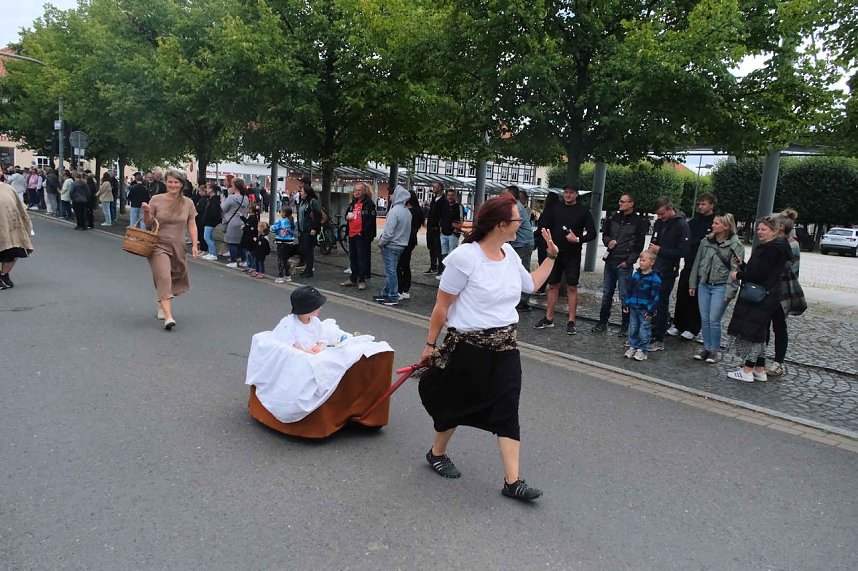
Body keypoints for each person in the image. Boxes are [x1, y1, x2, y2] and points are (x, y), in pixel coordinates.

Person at [416, 194, 559, 502]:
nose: (523, 224)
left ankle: (513, 482)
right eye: (518, 220)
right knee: (456, 403)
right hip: (469, 348)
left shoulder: (509, 254)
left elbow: (531, 285)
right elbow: (442, 306)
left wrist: (551, 257)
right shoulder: (466, 257)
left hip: (506, 347)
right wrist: (430, 344)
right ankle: (437, 452)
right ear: (501, 224)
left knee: (508, 406)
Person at [246, 285, 393, 423]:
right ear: (307, 308)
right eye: (317, 306)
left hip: (316, 352)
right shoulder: (289, 324)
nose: (320, 308)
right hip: (304, 355)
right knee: (324, 364)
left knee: (338, 356)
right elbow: (288, 346)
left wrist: (319, 345)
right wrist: (306, 352)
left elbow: (321, 336)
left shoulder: (315, 322)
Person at [725, 215, 791, 382]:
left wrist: (738, 274)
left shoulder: (771, 249)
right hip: (767, 294)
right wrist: (744, 265)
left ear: (774, 231)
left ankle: (747, 370)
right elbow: (760, 270)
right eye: (758, 229)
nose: (759, 232)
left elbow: (759, 274)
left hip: (762, 295)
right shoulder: (775, 247)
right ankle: (759, 369)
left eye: (763, 229)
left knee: (754, 333)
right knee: (759, 332)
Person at [533, 186, 596, 336]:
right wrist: (548, 242)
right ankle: (549, 318)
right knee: (552, 285)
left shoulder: (583, 211)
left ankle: (571, 321)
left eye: (571, 192)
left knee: (572, 287)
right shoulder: (555, 209)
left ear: (576, 194)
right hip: (555, 254)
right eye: (566, 192)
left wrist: (578, 239)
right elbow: (543, 227)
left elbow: (592, 233)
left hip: (573, 254)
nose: (568, 195)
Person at [140, 169, 199, 330]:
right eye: (170, 181)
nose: (173, 185)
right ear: (165, 182)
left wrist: (194, 244)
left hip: (178, 246)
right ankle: (168, 316)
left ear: (181, 185)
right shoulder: (156, 200)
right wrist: (146, 211)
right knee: (164, 276)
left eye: (176, 182)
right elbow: (148, 223)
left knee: (173, 276)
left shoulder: (188, 203)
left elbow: (192, 224)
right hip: (157, 245)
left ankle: (162, 305)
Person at [688, 213, 744, 363]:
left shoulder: (735, 245)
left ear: (726, 226)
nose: (713, 225)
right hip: (704, 284)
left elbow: (735, 270)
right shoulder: (706, 241)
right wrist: (693, 283)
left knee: (714, 319)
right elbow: (697, 262)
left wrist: (730, 291)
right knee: (705, 318)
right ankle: (706, 347)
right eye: (714, 223)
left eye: (717, 223)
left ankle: (714, 350)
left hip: (721, 285)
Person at [593, 193, 647, 335]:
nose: (620, 204)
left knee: (624, 295)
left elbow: (638, 245)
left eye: (623, 202)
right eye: (620, 201)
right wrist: (608, 241)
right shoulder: (613, 218)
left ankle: (625, 325)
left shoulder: (638, 222)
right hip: (610, 260)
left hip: (624, 262)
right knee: (607, 293)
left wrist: (628, 262)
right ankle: (602, 321)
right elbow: (605, 235)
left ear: (631, 203)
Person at [670, 193, 716, 340]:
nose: (700, 207)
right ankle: (678, 324)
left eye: (704, 204)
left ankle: (693, 327)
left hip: (703, 265)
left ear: (711, 205)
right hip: (690, 262)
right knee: (682, 293)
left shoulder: (714, 223)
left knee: (695, 296)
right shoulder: (693, 222)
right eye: (700, 204)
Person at [648, 196, 690, 351]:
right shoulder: (660, 223)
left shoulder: (681, 225)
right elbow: (655, 242)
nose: (660, 218)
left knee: (661, 303)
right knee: (652, 302)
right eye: (658, 215)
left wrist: (661, 251)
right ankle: (651, 333)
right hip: (655, 267)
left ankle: (658, 338)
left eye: (662, 214)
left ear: (670, 209)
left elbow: (683, 251)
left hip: (668, 271)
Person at [766, 209, 801, 378]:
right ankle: (757, 359)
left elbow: (787, 269)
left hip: (781, 293)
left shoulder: (791, 245)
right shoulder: (772, 242)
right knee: (763, 325)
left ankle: (778, 362)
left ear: (780, 227)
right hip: (768, 290)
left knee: (779, 327)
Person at [374, 185, 411, 306]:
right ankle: (385, 293)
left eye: (392, 194)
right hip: (401, 245)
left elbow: (389, 232)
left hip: (391, 245)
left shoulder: (394, 212)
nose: (390, 196)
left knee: (390, 272)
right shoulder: (407, 212)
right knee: (393, 270)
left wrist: (381, 242)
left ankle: (393, 296)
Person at [622, 250, 661, 361]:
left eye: (644, 260)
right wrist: (627, 302)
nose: (641, 262)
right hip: (634, 306)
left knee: (644, 330)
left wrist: (651, 310)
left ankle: (643, 350)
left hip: (645, 309)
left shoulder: (655, 279)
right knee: (633, 328)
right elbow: (629, 290)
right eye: (641, 260)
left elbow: (655, 297)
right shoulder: (636, 275)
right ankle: (633, 346)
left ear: (652, 262)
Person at [341, 181, 376, 290]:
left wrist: (362, 232)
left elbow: (370, 220)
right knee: (353, 256)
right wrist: (347, 216)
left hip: (362, 234)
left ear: (364, 191)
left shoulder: (369, 204)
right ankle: (353, 277)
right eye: (355, 190)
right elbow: (347, 213)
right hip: (352, 232)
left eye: (359, 190)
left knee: (362, 257)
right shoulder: (353, 203)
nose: (356, 192)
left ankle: (361, 279)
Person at [0, 179, 34, 290]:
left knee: (13, 253)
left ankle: (4, 275)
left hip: (11, 229)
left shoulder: (8, 188)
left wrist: (27, 225)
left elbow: (20, 208)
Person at [505, 186, 535, 312]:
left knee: (522, 270)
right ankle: (518, 298)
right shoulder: (513, 206)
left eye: (504, 194)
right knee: (514, 270)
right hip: (518, 243)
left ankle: (524, 301)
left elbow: (513, 225)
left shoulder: (516, 207)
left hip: (523, 243)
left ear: (511, 195)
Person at [396, 190, 425, 300]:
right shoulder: (417, 210)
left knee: (401, 264)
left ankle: (401, 288)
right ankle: (405, 288)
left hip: (406, 239)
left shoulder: (411, 211)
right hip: (411, 240)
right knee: (405, 264)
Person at [532, 192, 560, 295]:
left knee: (543, 263)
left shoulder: (546, 213)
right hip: (553, 241)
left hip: (544, 241)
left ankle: (541, 287)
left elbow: (541, 229)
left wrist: (533, 235)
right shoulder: (557, 213)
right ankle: (548, 285)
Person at [296, 178, 322, 278]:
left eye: (302, 191)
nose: (300, 193)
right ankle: (306, 268)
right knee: (303, 250)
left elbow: (318, 215)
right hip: (302, 230)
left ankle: (309, 270)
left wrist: (314, 228)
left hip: (309, 230)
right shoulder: (302, 202)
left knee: (309, 250)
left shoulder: (313, 202)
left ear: (306, 193)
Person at [221, 178, 248, 268]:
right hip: (242, 221)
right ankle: (244, 261)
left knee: (232, 243)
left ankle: (233, 261)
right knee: (242, 242)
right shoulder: (245, 198)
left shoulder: (231, 198)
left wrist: (223, 200)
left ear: (235, 187)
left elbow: (224, 208)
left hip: (232, 222)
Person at [437, 189, 465, 277]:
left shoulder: (459, 206)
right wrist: (441, 229)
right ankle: (445, 273)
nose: (450, 197)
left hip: (453, 234)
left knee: (452, 254)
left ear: (455, 196)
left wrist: (455, 231)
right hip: (444, 233)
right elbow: (442, 218)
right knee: (444, 254)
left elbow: (460, 219)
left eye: (452, 195)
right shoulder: (445, 206)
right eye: (448, 195)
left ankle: (452, 274)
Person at [271, 206, 298, 283]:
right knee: (285, 259)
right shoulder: (291, 222)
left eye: (281, 211)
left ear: (284, 213)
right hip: (289, 242)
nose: (280, 213)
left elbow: (272, 229)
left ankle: (280, 276)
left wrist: (273, 228)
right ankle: (287, 275)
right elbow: (295, 233)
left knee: (280, 259)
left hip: (281, 242)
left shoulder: (280, 221)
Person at [424, 182, 444, 274]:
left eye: (435, 187)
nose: (433, 188)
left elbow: (443, 215)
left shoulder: (443, 201)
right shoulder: (434, 199)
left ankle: (440, 267)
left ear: (440, 188)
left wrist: (440, 226)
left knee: (438, 249)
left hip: (436, 227)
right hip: (430, 227)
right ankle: (433, 266)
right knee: (431, 247)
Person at [199, 182, 222, 261]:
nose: (206, 190)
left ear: (211, 190)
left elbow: (214, 212)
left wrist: (208, 218)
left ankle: (213, 254)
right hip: (209, 221)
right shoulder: (212, 199)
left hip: (210, 221)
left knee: (207, 237)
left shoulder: (214, 199)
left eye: (208, 188)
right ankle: (211, 252)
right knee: (209, 237)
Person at [240, 203, 261, 272]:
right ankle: (249, 265)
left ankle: (253, 267)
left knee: (251, 253)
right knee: (248, 252)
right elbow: (247, 223)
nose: (248, 210)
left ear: (252, 210)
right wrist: (242, 217)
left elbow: (251, 228)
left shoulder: (254, 218)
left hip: (251, 238)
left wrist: (244, 228)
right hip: (248, 237)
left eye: (249, 208)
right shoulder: (250, 217)